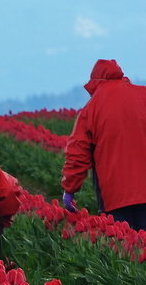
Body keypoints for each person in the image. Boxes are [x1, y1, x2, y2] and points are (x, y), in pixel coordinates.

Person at [61, 59, 146, 230]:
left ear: (95, 82)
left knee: (128, 249)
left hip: (116, 197)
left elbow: (78, 154)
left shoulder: (91, 109)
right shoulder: (143, 95)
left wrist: (70, 189)